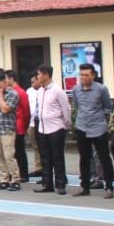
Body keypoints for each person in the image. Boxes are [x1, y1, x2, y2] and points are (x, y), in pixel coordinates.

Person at [70, 63, 114, 197]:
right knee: (84, 158)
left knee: (104, 158)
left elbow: (107, 107)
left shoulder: (101, 89)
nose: (83, 78)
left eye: (86, 75)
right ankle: (84, 186)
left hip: (98, 127)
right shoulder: (76, 90)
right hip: (82, 126)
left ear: (93, 76)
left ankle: (109, 187)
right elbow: (76, 106)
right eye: (81, 75)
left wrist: (103, 121)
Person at [34, 65, 71, 194]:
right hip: (43, 128)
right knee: (45, 158)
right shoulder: (40, 91)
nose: (38, 77)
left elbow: (66, 108)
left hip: (56, 128)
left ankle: (60, 184)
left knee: (57, 157)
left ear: (46, 75)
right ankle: (47, 183)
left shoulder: (57, 90)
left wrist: (66, 125)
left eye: (39, 74)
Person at [0, 71, 22, 191]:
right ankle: (4, 180)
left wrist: (0, 95)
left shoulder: (13, 94)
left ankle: (15, 180)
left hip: (7, 129)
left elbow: (5, 109)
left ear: (5, 82)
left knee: (9, 156)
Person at [3, 70, 31, 182]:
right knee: (10, 152)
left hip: (18, 125)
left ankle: (23, 174)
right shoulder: (7, 91)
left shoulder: (20, 92)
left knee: (19, 151)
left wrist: (25, 125)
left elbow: (26, 111)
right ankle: (12, 173)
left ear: (11, 79)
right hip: (9, 125)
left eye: (5, 78)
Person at [25, 73, 44, 181]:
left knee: (42, 147)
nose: (32, 84)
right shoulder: (29, 91)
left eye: (34, 82)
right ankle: (38, 167)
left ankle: (43, 168)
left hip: (42, 123)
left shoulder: (43, 90)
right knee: (35, 147)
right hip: (31, 123)